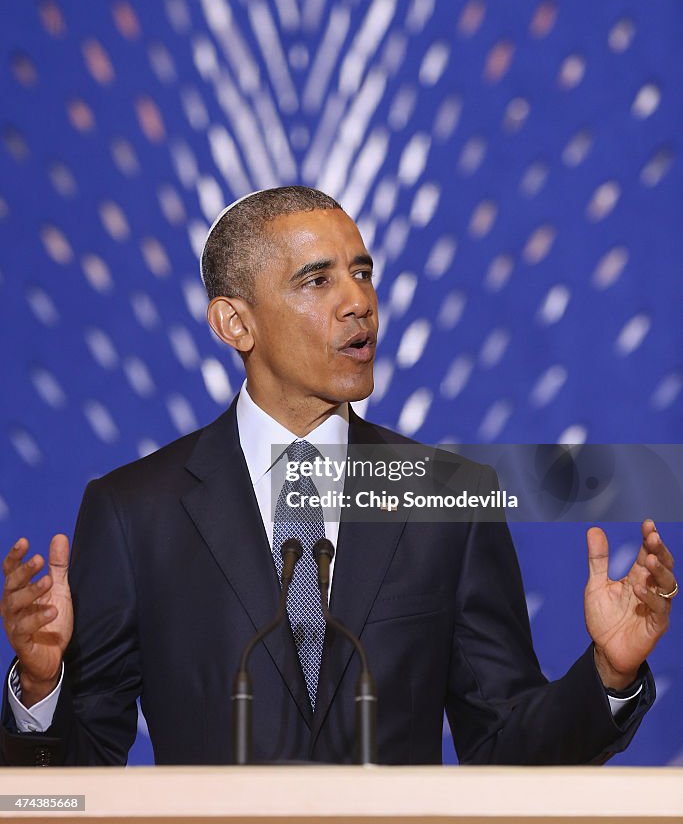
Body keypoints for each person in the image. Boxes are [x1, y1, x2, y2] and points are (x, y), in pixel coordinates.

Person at [0, 186, 677, 766]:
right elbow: (79, 773)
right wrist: (40, 687)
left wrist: (608, 673)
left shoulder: (443, 495)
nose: (359, 303)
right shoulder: (134, 511)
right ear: (235, 322)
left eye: (363, 273)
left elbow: (502, 743)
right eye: (317, 280)